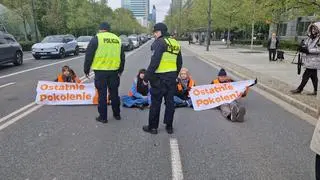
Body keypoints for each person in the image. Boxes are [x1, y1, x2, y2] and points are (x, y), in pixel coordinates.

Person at [142, 23, 183, 134]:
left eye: (155, 32)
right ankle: (169, 126)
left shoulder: (159, 42)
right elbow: (179, 62)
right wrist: (175, 74)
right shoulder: (175, 43)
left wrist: (146, 78)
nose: (154, 34)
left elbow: (154, 62)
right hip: (171, 78)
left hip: (158, 79)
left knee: (155, 103)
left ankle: (153, 127)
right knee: (170, 103)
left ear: (159, 32)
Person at [84, 22, 125, 123]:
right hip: (114, 71)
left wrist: (86, 69)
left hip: (100, 72)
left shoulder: (96, 38)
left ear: (100, 29)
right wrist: (120, 70)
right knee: (114, 94)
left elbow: (89, 55)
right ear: (109, 29)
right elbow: (122, 57)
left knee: (102, 95)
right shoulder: (117, 39)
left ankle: (103, 117)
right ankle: (117, 114)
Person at [291, 22, 320, 96]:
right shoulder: (310, 38)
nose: (313, 30)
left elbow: (318, 49)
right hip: (309, 61)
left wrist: (308, 51)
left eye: (315, 28)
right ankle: (315, 91)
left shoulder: (318, 39)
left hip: (314, 61)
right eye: (312, 28)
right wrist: (302, 46)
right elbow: (306, 45)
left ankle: (300, 89)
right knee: (314, 77)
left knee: (306, 75)